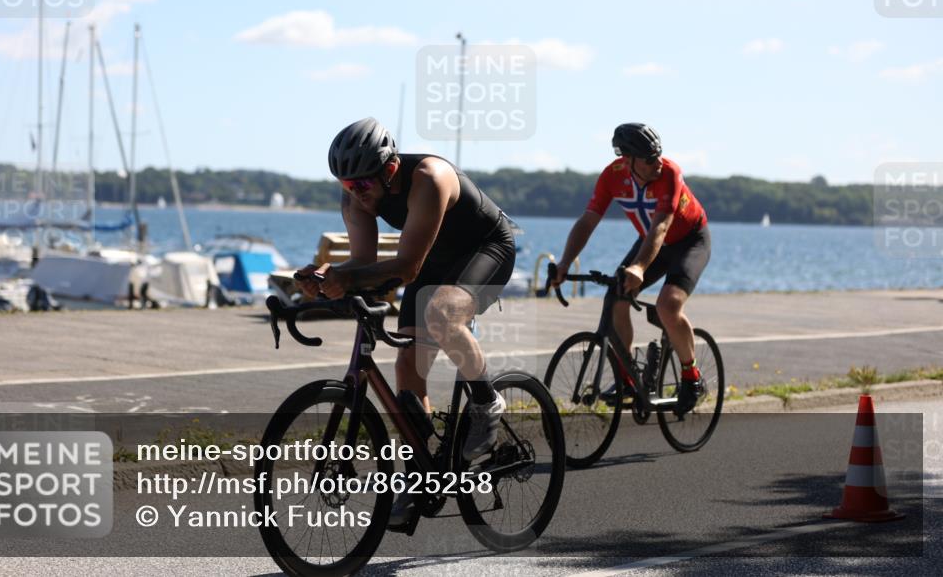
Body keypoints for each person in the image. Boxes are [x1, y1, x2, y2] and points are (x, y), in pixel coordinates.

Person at [296, 117, 517, 525]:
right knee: (406, 364)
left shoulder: (429, 177)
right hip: (433, 258)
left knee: (442, 313)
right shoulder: (354, 194)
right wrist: (327, 277)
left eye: (362, 185)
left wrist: (348, 279)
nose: (356, 195)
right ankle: (424, 475)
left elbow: (408, 268)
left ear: (390, 170)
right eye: (346, 186)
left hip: (486, 249)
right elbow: (363, 263)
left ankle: (487, 402)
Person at [552, 122, 710, 414]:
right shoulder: (612, 177)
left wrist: (638, 267)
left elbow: (661, 227)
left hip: (689, 241)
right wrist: (563, 263)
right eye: (649, 159)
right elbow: (588, 221)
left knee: (668, 305)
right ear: (628, 160)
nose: (657, 163)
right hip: (652, 242)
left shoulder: (670, 173)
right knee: (616, 297)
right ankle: (627, 378)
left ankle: (692, 376)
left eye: (658, 155)